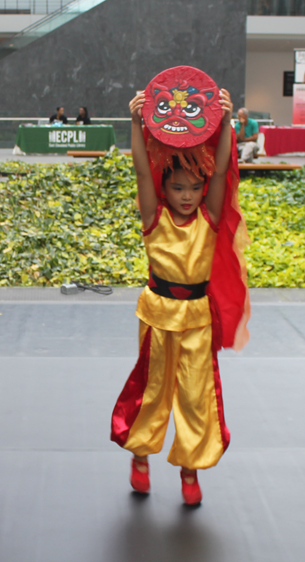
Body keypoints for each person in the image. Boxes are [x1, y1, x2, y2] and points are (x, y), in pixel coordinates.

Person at [111, 88, 249, 505]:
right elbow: (140, 172)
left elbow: (222, 171)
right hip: (157, 314)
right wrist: (135, 122)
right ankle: (139, 456)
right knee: (152, 389)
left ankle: (190, 470)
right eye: (177, 187)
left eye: (193, 187)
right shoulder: (154, 218)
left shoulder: (208, 218)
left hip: (197, 318)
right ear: (164, 188)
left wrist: (224, 122)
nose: (186, 195)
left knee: (194, 394)